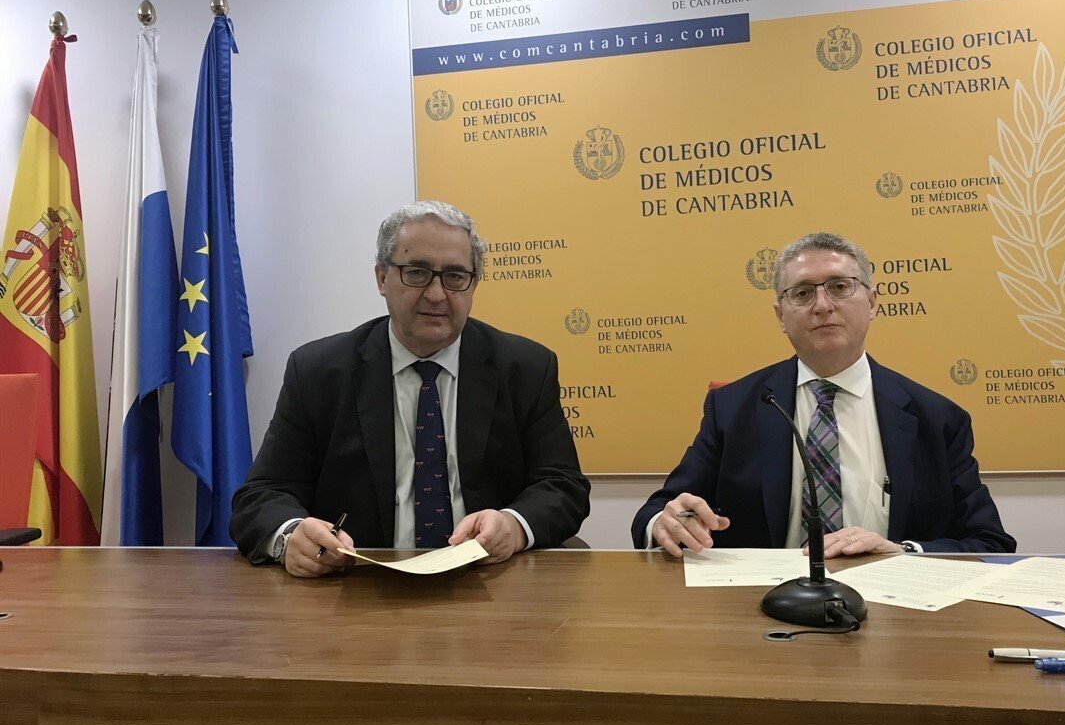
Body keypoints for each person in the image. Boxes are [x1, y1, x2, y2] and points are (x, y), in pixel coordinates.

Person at [231, 200, 590, 576]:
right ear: (381, 278)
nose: (436, 294)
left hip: (489, 580)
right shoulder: (318, 372)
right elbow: (261, 495)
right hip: (359, 584)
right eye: (417, 273)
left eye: (455, 276)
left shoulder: (525, 368)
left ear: (473, 284)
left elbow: (563, 486)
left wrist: (513, 526)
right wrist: (291, 536)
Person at [632, 231, 1015, 558]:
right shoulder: (732, 408)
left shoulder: (936, 418)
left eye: (839, 287)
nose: (822, 305)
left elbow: (989, 543)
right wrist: (664, 523)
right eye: (802, 293)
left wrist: (903, 552)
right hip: (763, 607)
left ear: (872, 302)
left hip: (893, 609)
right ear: (780, 316)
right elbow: (656, 513)